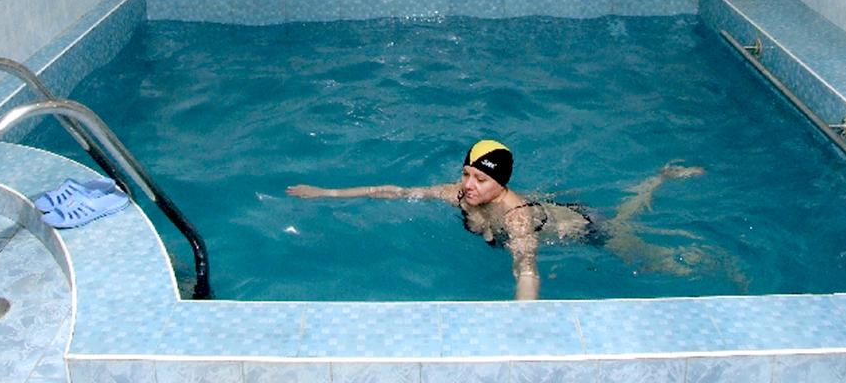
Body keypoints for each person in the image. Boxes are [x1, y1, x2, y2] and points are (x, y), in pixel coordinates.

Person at [287, 139, 712, 300]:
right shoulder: (458, 194)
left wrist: (521, 322)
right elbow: (394, 191)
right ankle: (659, 178)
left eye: (480, 179)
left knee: (650, 257)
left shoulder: (518, 220)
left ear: (502, 183)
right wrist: (326, 193)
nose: (468, 185)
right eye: (466, 174)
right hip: (555, 211)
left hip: (587, 230)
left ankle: (661, 180)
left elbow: (526, 268)